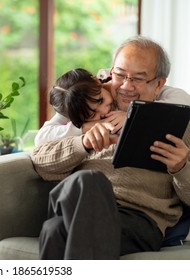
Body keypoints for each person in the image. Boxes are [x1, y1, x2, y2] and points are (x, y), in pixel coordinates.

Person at [30, 35, 190, 259]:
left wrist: (181, 167)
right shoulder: (88, 109)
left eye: (138, 79)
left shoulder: (178, 121)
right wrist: (83, 143)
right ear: (109, 73)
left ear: (159, 84)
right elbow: (41, 163)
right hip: (80, 206)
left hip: (138, 219)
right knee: (68, 210)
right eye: (121, 75)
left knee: (56, 227)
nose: (126, 86)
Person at [34, 49, 190, 148]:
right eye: (92, 114)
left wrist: (133, 117)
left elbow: (183, 101)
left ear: (97, 80)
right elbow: (41, 138)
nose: (103, 111)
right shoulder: (75, 103)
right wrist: (89, 126)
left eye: (100, 100)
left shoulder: (123, 85)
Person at [48, 68, 114, 130]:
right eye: (93, 115)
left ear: (96, 81)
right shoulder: (69, 109)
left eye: (101, 101)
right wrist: (90, 126)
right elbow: (42, 137)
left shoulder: (119, 84)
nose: (104, 111)